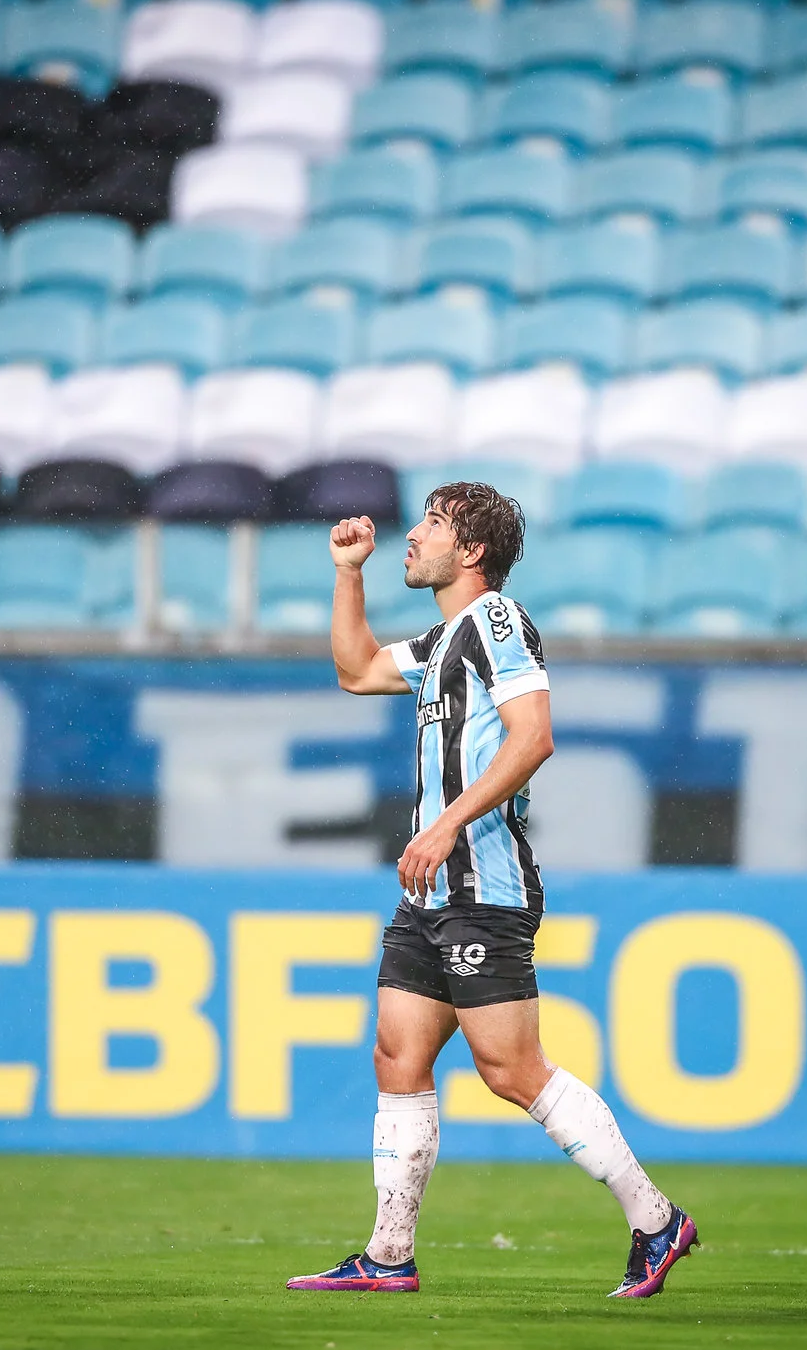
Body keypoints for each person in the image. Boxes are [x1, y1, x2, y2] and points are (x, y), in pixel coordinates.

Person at [285, 482, 698, 1300]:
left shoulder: (496, 622)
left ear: (471, 551)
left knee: (512, 1070)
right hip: (431, 894)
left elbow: (534, 734)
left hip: (483, 885)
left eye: (431, 524)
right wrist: (347, 573)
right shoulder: (445, 638)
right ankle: (389, 1253)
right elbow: (358, 669)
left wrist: (445, 825)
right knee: (398, 1054)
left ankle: (656, 1220)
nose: (413, 535)